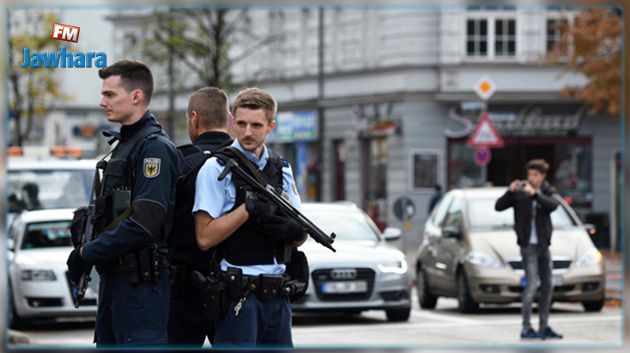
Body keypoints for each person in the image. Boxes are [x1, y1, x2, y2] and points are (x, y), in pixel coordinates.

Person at [66, 60, 180, 346]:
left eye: (109, 94)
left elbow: (145, 221)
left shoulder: (154, 147)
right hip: (117, 281)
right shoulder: (125, 146)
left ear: (136, 96)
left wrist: (87, 253)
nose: (102, 101)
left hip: (140, 287)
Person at [193, 87, 307, 347]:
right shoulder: (217, 168)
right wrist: (247, 210)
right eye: (241, 123)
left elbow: (301, 233)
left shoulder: (282, 168)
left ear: (271, 126)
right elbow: (204, 237)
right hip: (238, 295)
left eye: (256, 125)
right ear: (231, 121)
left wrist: (292, 232)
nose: (247, 132)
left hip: (277, 295)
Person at [168, 87, 232, 346]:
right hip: (232, 287)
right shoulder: (246, 165)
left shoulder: (178, 163)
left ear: (194, 118)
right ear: (229, 118)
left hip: (182, 291)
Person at [494, 159, 563, 340]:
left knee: (548, 285)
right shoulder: (520, 192)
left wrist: (536, 195)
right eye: (529, 174)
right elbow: (498, 206)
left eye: (535, 175)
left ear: (542, 176)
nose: (531, 178)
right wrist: (509, 192)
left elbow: (553, 205)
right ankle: (526, 327)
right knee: (531, 285)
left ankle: (544, 326)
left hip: (543, 245)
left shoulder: (547, 190)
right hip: (528, 246)